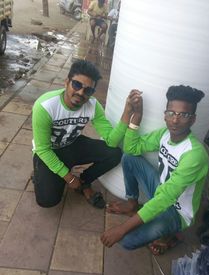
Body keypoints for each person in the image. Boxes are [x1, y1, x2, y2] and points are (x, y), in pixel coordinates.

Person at [101, 85, 209, 254]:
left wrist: (122, 229)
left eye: (183, 115)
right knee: (129, 159)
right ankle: (132, 204)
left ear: (192, 119)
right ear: (165, 114)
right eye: (171, 113)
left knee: (127, 240)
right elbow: (131, 149)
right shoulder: (164, 134)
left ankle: (171, 235)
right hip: (161, 191)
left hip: (177, 211)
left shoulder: (194, 154)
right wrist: (137, 116)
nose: (175, 120)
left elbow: (166, 197)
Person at [32, 59, 140, 209]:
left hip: (72, 144)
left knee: (114, 153)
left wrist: (127, 113)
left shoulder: (93, 106)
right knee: (47, 201)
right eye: (76, 85)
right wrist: (69, 178)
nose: (81, 92)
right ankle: (41, 174)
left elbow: (111, 142)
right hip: (50, 150)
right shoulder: (45, 106)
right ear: (66, 82)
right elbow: (42, 149)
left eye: (88, 90)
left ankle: (84, 182)